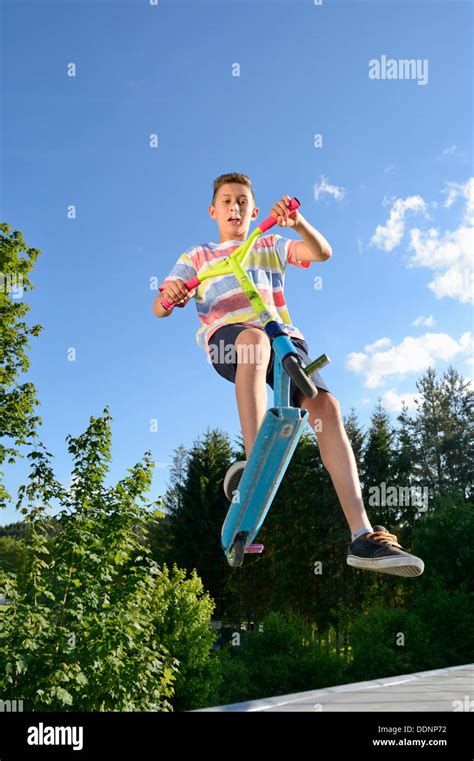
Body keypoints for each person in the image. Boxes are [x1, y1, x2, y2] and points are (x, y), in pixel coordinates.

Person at [153, 172, 424, 578]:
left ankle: (362, 534)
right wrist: (171, 295)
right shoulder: (198, 256)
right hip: (230, 338)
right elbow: (160, 304)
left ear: (255, 211)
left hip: (283, 337)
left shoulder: (266, 243)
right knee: (253, 343)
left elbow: (321, 253)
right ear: (213, 211)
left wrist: (297, 223)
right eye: (227, 201)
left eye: (243, 201)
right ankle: (255, 459)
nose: (235, 208)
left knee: (326, 408)